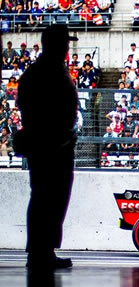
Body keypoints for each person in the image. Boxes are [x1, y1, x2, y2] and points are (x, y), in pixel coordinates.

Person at [15, 25, 79, 269]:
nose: (67, 48)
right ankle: (41, 252)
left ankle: (42, 251)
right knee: (47, 197)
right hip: (51, 146)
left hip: (50, 144)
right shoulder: (47, 72)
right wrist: (58, 136)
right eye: (65, 43)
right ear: (57, 45)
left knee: (49, 197)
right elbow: (38, 112)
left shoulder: (40, 71)